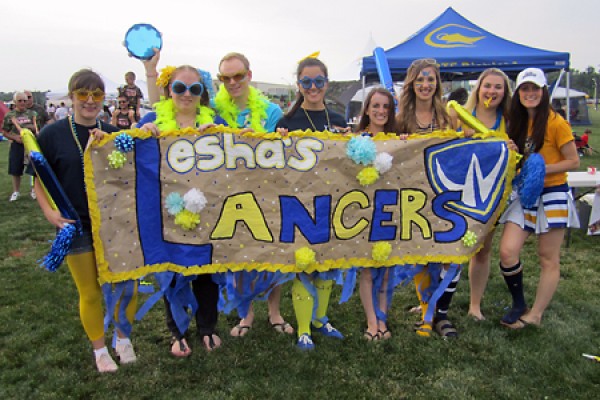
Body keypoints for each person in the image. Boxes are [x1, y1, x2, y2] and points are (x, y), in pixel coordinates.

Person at [35, 69, 138, 372]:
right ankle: (100, 350)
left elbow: (128, 175)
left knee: (127, 286)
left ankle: (123, 339)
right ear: (72, 97)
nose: (90, 101)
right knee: (90, 291)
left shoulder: (112, 134)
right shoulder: (52, 135)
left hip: (114, 223)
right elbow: (38, 180)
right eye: (83, 94)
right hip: (75, 224)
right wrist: (50, 213)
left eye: (96, 95)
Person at [140, 51, 222, 357]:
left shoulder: (215, 121)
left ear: (202, 94)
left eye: (195, 89)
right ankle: (177, 331)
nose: (187, 94)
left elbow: (242, 155)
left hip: (208, 208)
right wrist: (141, 136)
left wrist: (223, 137)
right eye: (180, 88)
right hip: (168, 209)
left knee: (206, 269)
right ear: (168, 91)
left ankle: (207, 327)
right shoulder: (151, 120)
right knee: (171, 270)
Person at [213, 52, 293, 338]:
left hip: (266, 192)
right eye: (226, 77)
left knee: (271, 252)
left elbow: (280, 153)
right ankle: (245, 314)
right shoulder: (213, 109)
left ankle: (274, 312)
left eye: (237, 76)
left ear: (249, 75)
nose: (232, 82)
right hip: (226, 193)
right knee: (237, 256)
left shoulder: (270, 112)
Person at [498, 68, 579, 329]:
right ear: (518, 92)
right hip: (526, 192)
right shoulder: (517, 122)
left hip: (553, 192)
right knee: (508, 251)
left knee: (547, 256)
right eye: (525, 88)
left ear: (544, 91)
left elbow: (574, 161)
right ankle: (519, 303)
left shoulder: (556, 122)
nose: (530, 93)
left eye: (535, 88)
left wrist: (541, 168)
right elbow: (521, 160)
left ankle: (536, 313)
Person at [276, 56, 348, 350]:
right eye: (307, 82)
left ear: (326, 84)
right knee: (304, 264)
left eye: (319, 81)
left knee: (328, 264)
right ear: (299, 85)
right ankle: (303, 329)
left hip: (333, 202)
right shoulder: (286, 122)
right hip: (299, 204)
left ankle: (320, 318)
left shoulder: (339, 120)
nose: (313, 87)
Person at [395, 58, 460, 338]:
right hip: (413, 195)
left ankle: (441, 312)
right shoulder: (401, 119)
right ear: (412, 83)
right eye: (420, 79)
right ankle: (426, 309)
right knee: (421, 254)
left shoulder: (449, 116)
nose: (425, 84)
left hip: (444, 194)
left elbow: (462, 148)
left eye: (431, 79)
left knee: (448, 253)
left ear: (437, 83)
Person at [458, 68, 513, 321]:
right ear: (478, 88)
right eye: (487, 86)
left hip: (490, 194)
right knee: (448, 246)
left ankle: (475, 305)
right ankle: (432, 300)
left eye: (498, 87)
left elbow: (521, 153)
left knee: (482, 249)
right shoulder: (459, 115)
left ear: (505, 92)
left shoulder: (510, 120)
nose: (491, 91)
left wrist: (512, 146)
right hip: (457, 190)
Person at [354, 87, 397, 340]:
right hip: (363, 212)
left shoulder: (400, 139)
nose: (381, 111)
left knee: (387, 270)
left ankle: (383, 318)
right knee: (368, 270)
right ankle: (371, 321)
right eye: (376, 106)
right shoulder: (355, 139)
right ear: (367, 109)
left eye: (386, 107)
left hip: (391, 210)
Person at [2, 91, 38, 201]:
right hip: (17, 145)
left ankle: (34, 190)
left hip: (30, 145)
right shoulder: (10, 115)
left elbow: (36, 129)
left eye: (24, 100)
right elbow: (5, 132)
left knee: (33, 169)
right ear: (15, 102)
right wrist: (14, 138)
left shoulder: (32, 114)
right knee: (15, 168)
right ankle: (16, 191)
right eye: (20, 101)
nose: (22, 103)